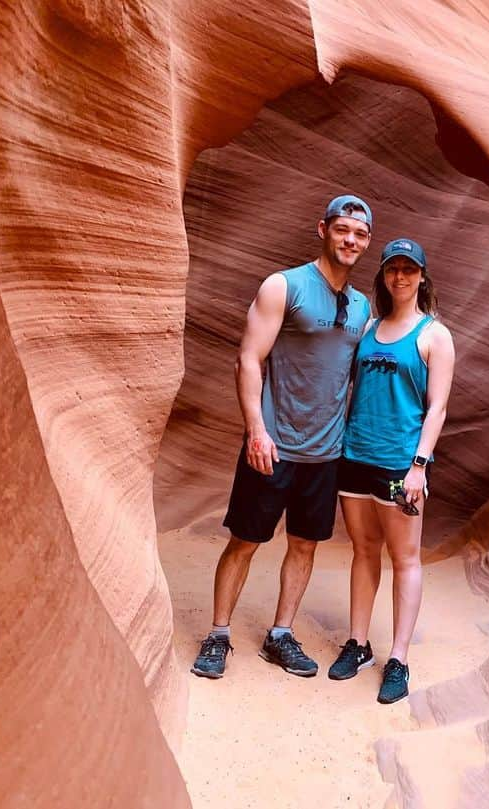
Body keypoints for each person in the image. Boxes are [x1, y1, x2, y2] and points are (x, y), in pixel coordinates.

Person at [191, 195, 374, 679]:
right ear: (323, 230)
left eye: (359, 234)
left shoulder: (361, 306)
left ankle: (280, 634)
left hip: (325, 452)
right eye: (342, 230)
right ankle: (218, 634)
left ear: (366, 242)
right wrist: (256, 430)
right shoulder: (284, 286)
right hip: (272, 445)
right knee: (245, 541)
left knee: (304, 545)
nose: (349, 240)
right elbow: (249, 358)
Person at [328, 238, 456, 704]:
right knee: (363, 550)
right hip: (356, 456)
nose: (400, 277)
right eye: (392, 269)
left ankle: (398, 658)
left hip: (401, 463)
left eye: (409, 270)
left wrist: (420, 465)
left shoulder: (433, 335)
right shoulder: (369, 327)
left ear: (422, 276)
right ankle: (358, 644)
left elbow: (438, 407)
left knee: (405, 559)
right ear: (383, 276)